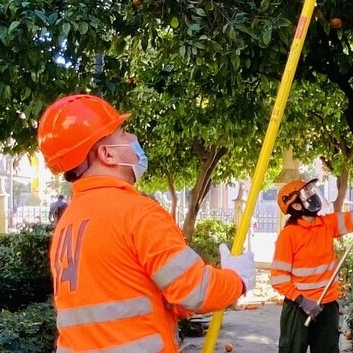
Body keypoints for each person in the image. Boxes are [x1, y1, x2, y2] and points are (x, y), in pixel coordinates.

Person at [37, 94, 256, 353]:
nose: (132, 139)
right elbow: (195, 289)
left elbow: (142, 295)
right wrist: (238, 280)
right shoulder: (136, 213)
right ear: (106, 153)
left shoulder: (68, 222)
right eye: (123, 133)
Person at [270, 175, 353, 353]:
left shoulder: (326, 224)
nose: (312, 196)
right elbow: (278, 278)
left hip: (327, 304)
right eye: (306, 194)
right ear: (296, 205)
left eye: (311, 191)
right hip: (298, 308)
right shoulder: (289, 235)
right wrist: (303, 301)